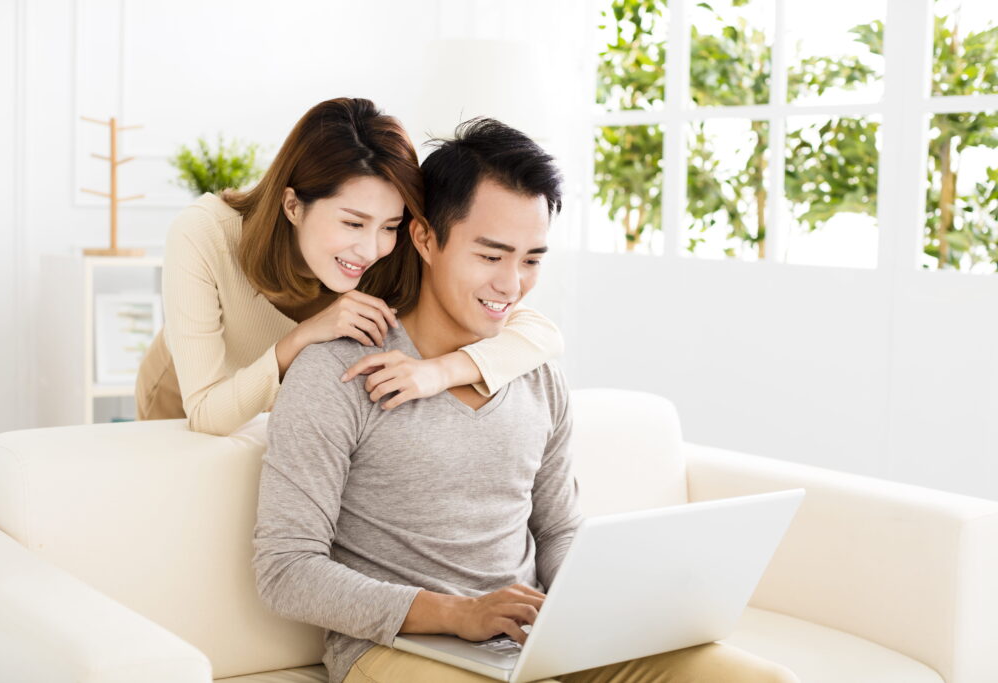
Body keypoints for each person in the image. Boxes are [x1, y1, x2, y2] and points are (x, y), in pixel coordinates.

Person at [253, 118, 798, 683]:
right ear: (424, 239)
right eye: (490, 256)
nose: (512, 285)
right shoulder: (337, 370)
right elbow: (286, 570)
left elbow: (559, 528)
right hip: (399, 647)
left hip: (534, 640)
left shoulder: (536, 375)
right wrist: (458, 614)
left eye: (532, 260)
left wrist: (606, 607)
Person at [134, 98, 563, 436]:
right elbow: (206, 413)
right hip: (183, 399)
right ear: (293, 205)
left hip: (279, 414)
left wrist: (441, 371)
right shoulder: (206, 233)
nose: (370, 248)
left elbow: (538, 332)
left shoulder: (391, 252)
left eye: (390, 225)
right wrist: (303, 337)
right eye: (353, 222)